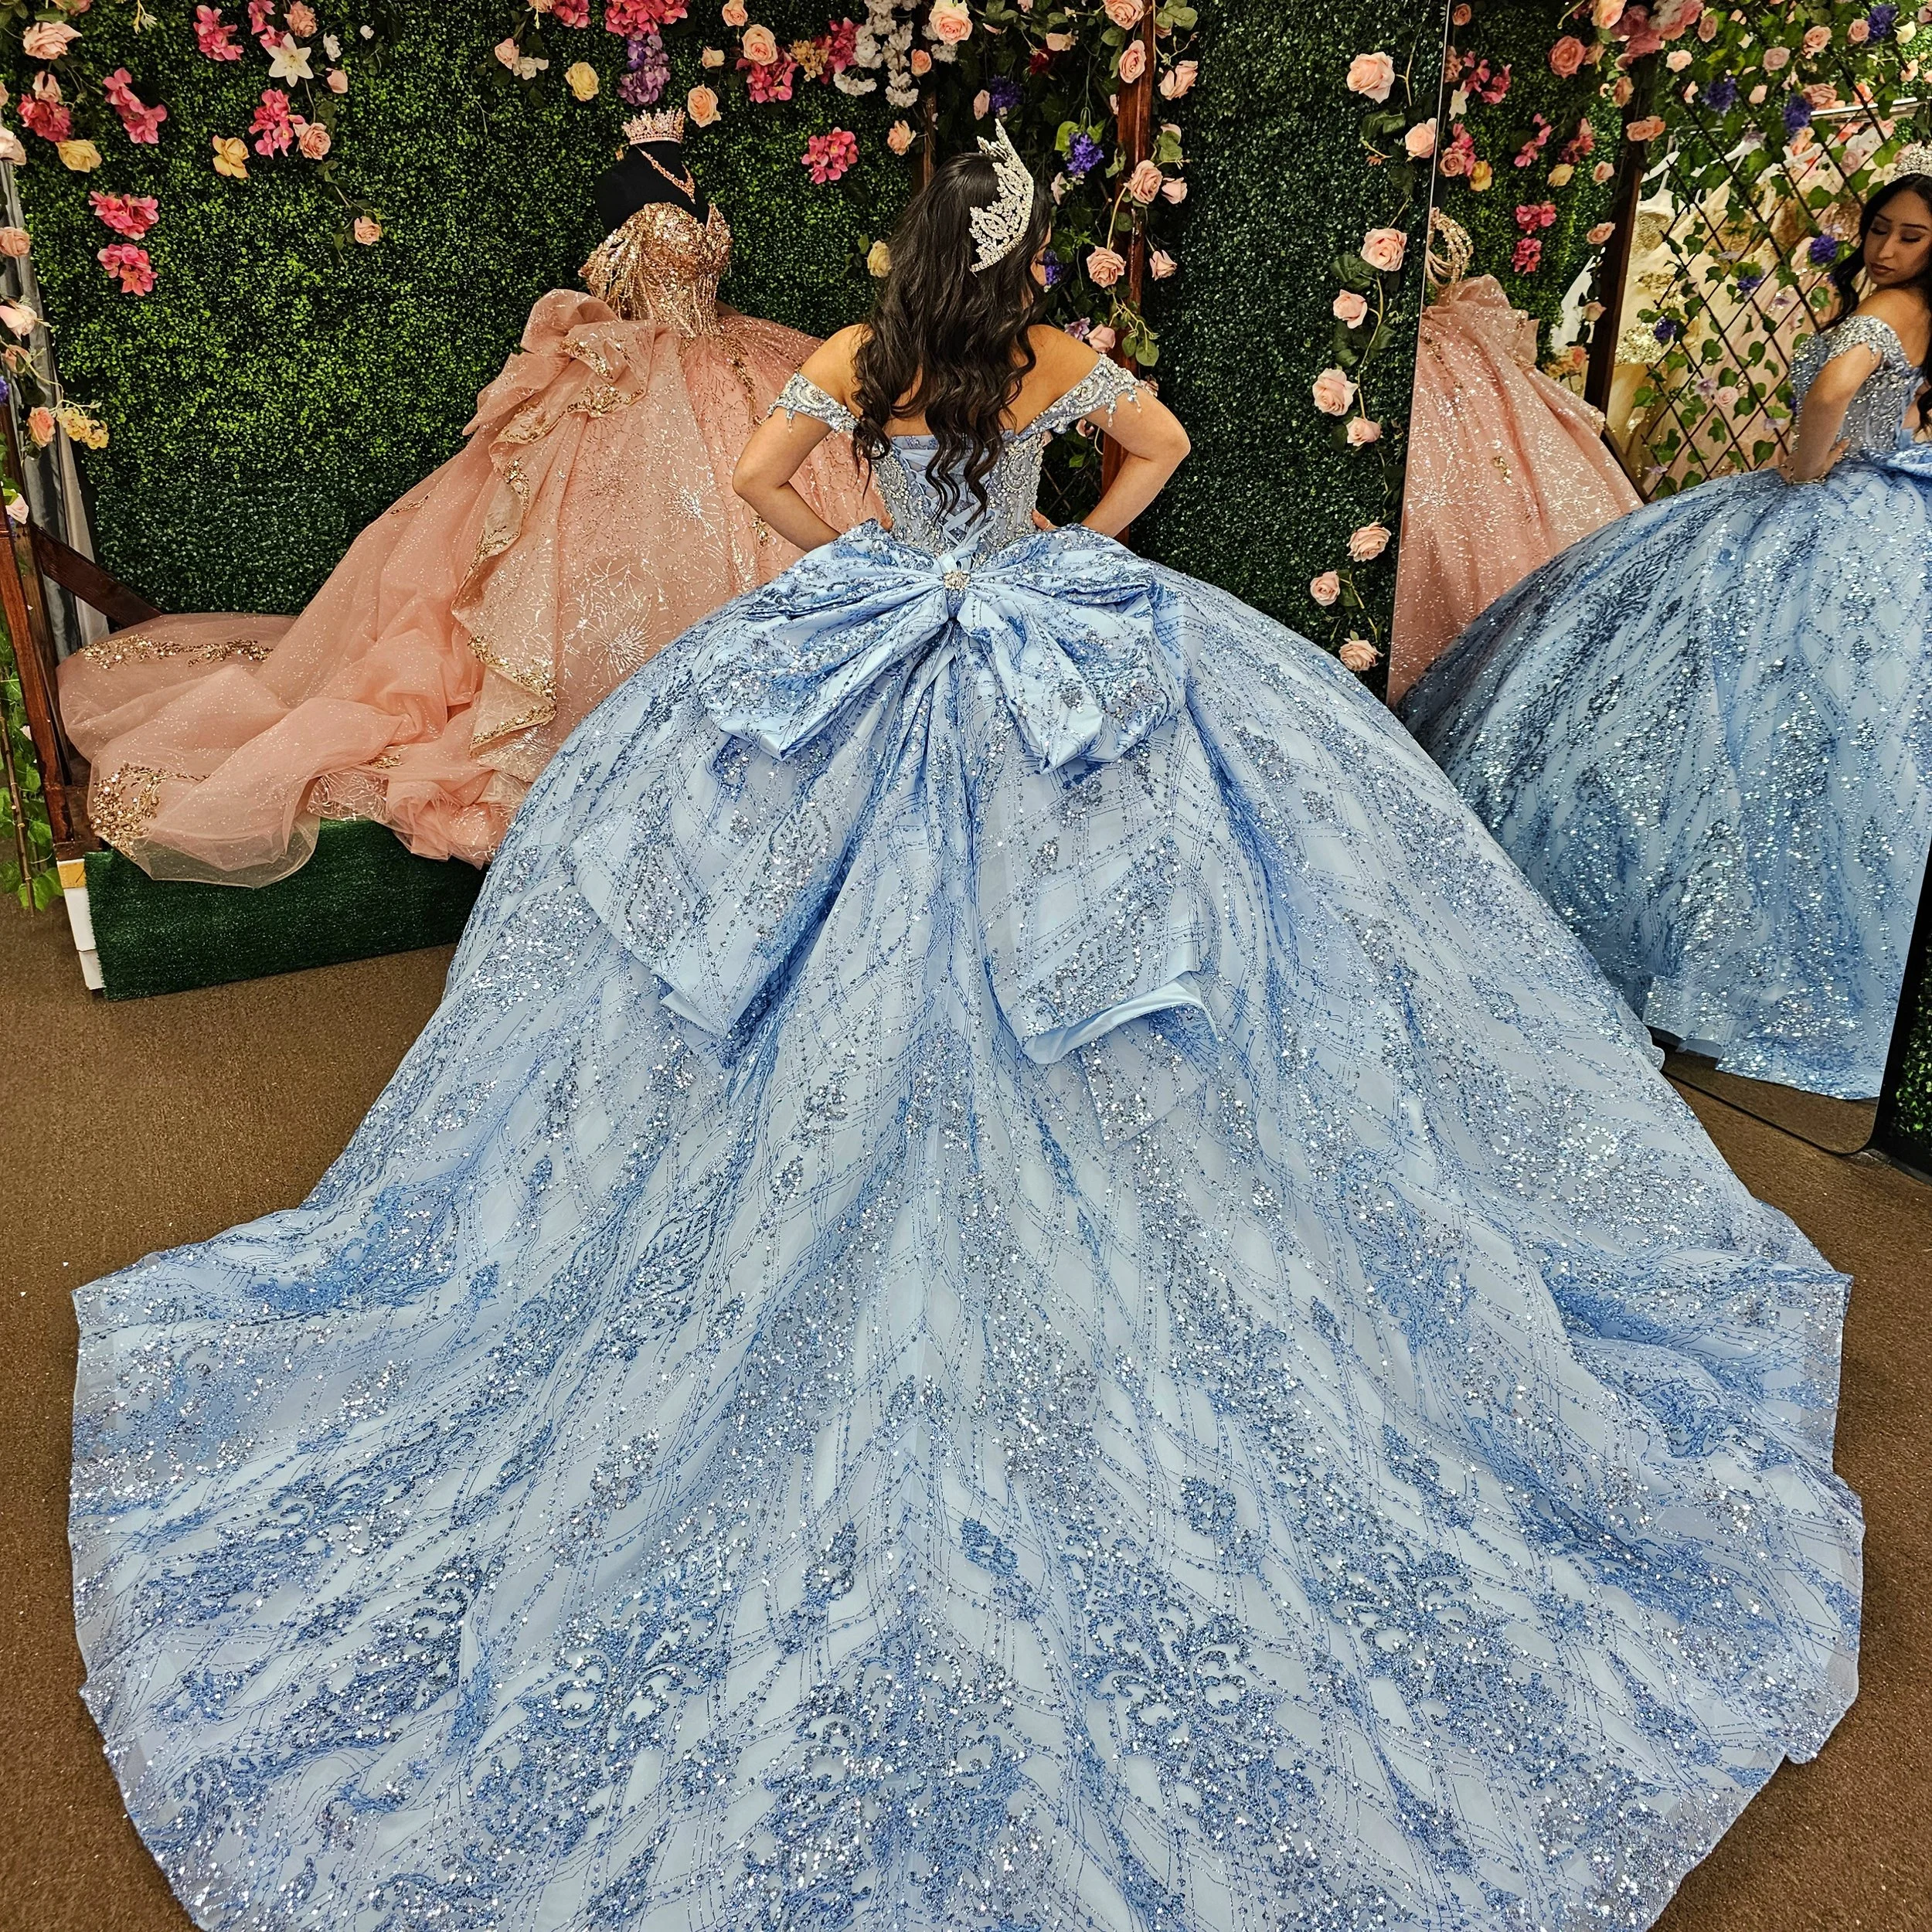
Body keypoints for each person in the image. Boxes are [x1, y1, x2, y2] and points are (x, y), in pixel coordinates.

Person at [70, 126, 1859, 1932]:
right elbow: (1156, 447)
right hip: (1033, 626)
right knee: (1152, 937)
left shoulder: (865, 363)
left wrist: (865, 548)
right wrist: (1067, 540)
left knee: (776, 929)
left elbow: (772, 480)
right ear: (1019, 265)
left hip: (876, 626)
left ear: (915, 255)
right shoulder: (1055, 362)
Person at [56, 107, 875, 886]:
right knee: (609, 552)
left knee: (768, 506)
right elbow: (616, 289)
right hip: (640, 378)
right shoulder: (625, 192)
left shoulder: (689, 193)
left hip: (730, 358)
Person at [1402, 164, 1932, 1102]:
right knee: (1820, 718)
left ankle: (1675, 931)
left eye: (1909, 235)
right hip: (1885, 510)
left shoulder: (1887, 309)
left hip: (1822, 505)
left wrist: (1808, 467)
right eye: (1880, 228)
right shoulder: (1915, 309)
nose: (1886, 249)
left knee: (1725, 690)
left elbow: (1833, 390)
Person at [1388, 211, 1640, 702]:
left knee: (1494, 483)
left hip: (1451, 355)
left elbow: (1452, 260)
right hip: (1433, 356)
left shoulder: (1450, 310)